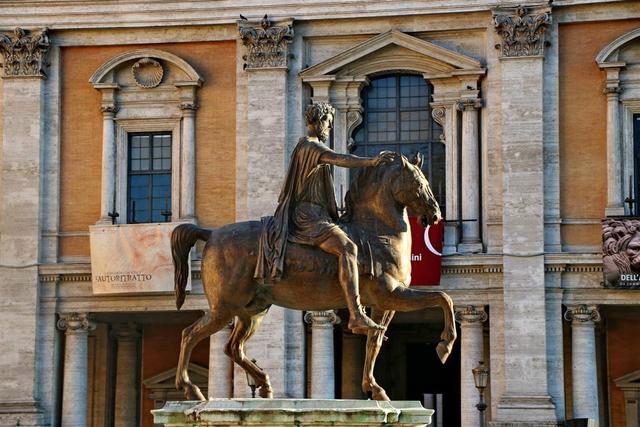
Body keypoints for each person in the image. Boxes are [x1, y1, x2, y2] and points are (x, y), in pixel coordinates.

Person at [255, 102, 394, 334]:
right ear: (318, 122)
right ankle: (357, 314)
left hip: (317, 214)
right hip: (308, 216)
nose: (328, 129)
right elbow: (340, 159)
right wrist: (372, 162)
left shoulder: (308, 146)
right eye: (328, 124)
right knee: (348, 248)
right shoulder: (310, 146)